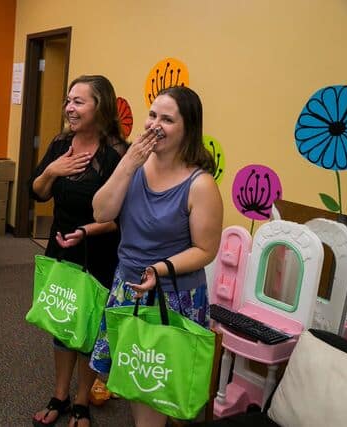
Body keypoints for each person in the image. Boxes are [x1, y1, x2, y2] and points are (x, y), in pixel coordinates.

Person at [89, 86, 223, 427]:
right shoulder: (134, 166)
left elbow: (206, 250)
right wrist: (128, 164)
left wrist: (160, 269)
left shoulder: (200, 185)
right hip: (128, 289)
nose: (154, 125)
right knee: (136, 383)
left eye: (167, 119)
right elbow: (102, 212)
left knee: (157, 390)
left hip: (173, 295)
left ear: (188, 129)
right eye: (152, 115)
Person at [29, 75, 127, 427]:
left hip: (97, 251)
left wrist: (86, 232)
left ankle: (82, 401)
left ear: (100, 107)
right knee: (62, 320)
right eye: (68, 100)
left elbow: (122, 218)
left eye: (79, 101)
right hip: (61, 246)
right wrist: (52, 170)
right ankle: (60, 395)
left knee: (89, 328)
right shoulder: (60, 144)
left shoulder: (118, 154)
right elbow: (37, 192)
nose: (69, 108)